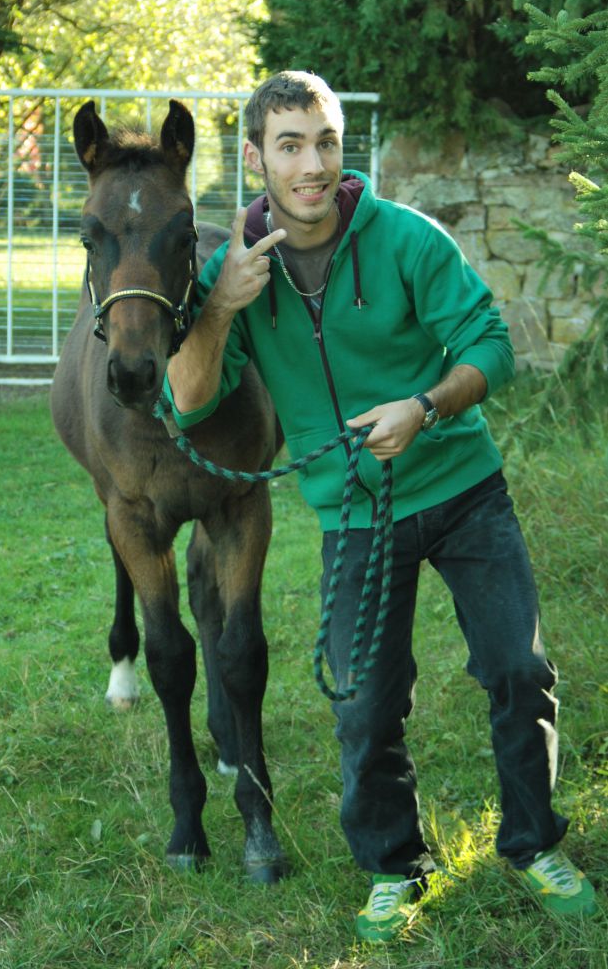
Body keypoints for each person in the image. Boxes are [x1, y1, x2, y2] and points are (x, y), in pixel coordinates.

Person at [164, 70, 596, 942]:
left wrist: (425, 406)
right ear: (254, 159)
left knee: (517, 670)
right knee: (362, 701)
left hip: (464, 491)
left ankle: (532, 844)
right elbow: (187, 401)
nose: (312, 165)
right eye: (290, 145)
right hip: (355, 516)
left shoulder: (403, 237)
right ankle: (395, 866)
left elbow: (489, 343)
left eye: (324, 141)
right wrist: (217, 310)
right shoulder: (232, 273)